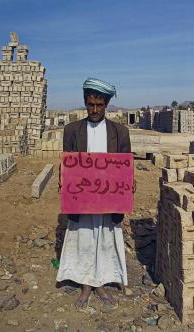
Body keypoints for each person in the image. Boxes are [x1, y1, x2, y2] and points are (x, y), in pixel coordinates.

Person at [56, 78, 131, 312]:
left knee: (106, 239)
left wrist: (126, 187)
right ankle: (86, 284)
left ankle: (101, 284)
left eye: (100, 105)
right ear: (85, 103)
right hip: (83, 199)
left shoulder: (120, 132)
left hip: (108, 200)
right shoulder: (72, 130)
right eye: (91, 105)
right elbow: (68, 165)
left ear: (106, 104)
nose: (95, 110)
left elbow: (124, 168)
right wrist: (65, 184)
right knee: (84, 239)